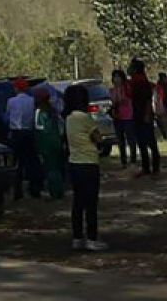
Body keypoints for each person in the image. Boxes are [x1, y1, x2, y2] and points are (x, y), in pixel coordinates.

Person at [63, 84, 106, 252]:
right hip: (89, 162)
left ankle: (77, 237)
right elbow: (98, 138)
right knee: (91, 203)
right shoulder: (85, 118)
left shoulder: (68, 118)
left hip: (74, 162)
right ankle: (92, 238)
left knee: (78, 203)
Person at [6, 78, 43, 199]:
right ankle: (34, 189)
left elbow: (7, 116)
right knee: (31, 161)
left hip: (16, 133)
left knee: (17, 163)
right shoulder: (32, 101)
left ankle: (17, 191)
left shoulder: (11, 101)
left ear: (16, 88)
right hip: (29, 132)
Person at [129, 60, 161, 177]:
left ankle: (155, 167)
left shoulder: (141, 82)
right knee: (141, 142)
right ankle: (146, 167)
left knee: (150, 141)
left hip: (144, 114)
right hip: (137, 114)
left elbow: (148, 99)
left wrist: (147, 115)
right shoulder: (134, 82)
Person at [34, 86, 65, 200]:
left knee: (50, 169)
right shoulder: (53, 110)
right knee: (57, 167)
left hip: (46, 143)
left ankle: (55, 192)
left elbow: (39, 130)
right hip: (57, 141)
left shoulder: (39, 112)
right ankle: (60, 190)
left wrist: (38, 146)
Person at [109, 69, 137, 167]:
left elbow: (126, 99)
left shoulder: (127, 88)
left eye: (118, 77)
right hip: (117, 117)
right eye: (114, 77)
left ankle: (133, 159)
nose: (116, 79)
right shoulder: (112, 90)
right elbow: (113, 102)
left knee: (131, 139)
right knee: (120, 141)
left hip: (128, 116)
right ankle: (123, 161)